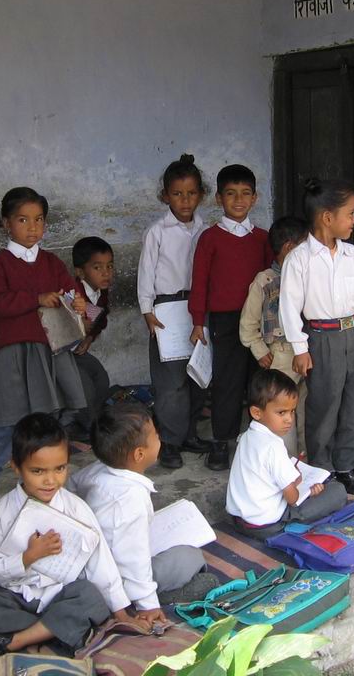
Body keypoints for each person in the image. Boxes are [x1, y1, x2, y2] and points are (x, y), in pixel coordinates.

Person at [0, 413, 149, 663]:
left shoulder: (76, 508)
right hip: (16, 597)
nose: (50, 480)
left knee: (91, 598)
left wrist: (121, 613)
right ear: (16, 466)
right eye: (37, 471)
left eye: (60, 469)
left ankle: (16, 640)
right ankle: (56, 630)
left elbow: (100, 563)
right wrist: (27, 558)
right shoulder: (1, 512)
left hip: (60, 594)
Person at [0, 187, 88, 514]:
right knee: (8, 422)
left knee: (55, 417)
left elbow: (71, 291)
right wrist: (35, 299)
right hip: (17, 354)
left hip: (52, 351)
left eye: (38, 220)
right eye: (23, 220)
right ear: (6, 224)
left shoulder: (51, 262)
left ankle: (41, 476)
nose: (32, 227)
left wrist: (78, 302)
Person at [279, 178, 354, 496]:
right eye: (350, 214)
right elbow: (289, 307)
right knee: (324, 404)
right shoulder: (299, 259)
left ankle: (348, 465)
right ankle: (322, 468)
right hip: (322, 338)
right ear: (327, 217)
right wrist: (300, 347)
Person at [70, 402, 219, 617]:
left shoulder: (97, 470)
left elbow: (73, 486)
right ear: (139, 454)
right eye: (156, 436)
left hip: (96, 565)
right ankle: (161, 596)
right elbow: (132, 560)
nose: (160, 439)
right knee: (191, 557)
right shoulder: (130, 497)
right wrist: (148, 604)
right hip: (115, 578)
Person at [189, 164, 273, 471]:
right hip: (224, 321)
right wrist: (198, 321)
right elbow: (200, 282)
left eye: (245, 194)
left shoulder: (263, 238)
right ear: (218, 198)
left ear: (255, 198)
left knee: (260, 381)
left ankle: (259, 443)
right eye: (231, 194)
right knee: (227, 382)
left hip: (259, 321)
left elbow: (272, 281)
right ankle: (222, 442)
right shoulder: (210, 238)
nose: (239, 200)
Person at [137, 154, 212, 470]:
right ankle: (169, 441)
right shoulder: (157, 231)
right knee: (171, 382)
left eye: (191, 193)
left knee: (197, 375)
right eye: (178, 194)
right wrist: (147, 310)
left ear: (201, 195)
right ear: (165, 196)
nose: (185, 200)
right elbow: (146, 272)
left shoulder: (206, 230)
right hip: (166, 309)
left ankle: (189, 434)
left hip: (197, 307)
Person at [226, 370, 347, 539]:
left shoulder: (246, 436)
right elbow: (292, 499)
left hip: (238, 520)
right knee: (337, 491)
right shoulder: (273, 446)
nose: (289, 419)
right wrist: (307, 492)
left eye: (292, 411)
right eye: (281, 412)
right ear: (256, 412)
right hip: (266, 525)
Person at [239, 215, 310, 456]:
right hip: (280, 356)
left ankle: (304, 461)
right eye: (304, 247)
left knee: (305, 408)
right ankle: (282, 461)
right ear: (289, 248)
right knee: (281, 411)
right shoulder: (265, 281)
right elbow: (248, 324)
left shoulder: (308, 279)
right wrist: (260, 351)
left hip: (306, 353)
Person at [70, 236, 115, 440]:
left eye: (110, 266)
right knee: (85, 386)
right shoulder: (74, 293)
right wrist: (81, 329)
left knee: (101, 378)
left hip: (78, 350)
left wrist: (89, 338)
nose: (106, 273)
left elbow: (100, 320)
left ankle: (92, 420)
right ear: (80, 272)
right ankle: (88, 426)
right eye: (97, 267)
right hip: (59, 352)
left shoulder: (101, 294)